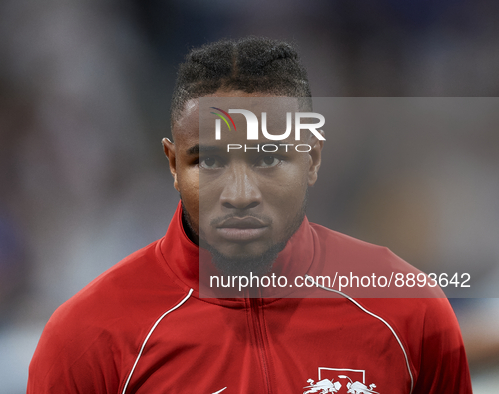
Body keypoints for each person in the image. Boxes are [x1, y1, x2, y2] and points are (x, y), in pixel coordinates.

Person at [27, 37, 472, 393]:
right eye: (210, 162)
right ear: (173, 165)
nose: (240, 194)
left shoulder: (408, 311)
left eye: (267, 158)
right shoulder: (86, 339)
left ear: (312, 159)